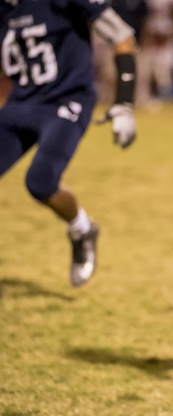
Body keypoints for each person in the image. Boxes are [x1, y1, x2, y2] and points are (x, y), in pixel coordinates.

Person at [0, 0, 138, 286]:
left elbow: (122, 37)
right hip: (21, 102)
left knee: (40, 182)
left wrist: (124, 102)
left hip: (67, 100)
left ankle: (81, 228)